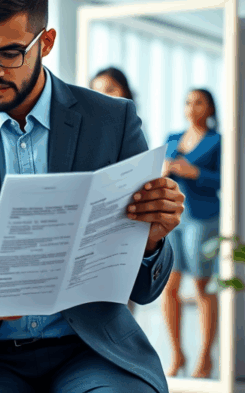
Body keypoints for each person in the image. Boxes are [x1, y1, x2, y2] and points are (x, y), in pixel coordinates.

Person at [0, 0, 185, 393]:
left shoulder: (112, 121)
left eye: (9, 53)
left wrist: (151, 241)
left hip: (90, 348)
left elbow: (145, 290)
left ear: (45, 42)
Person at [161, 88, 221, 379]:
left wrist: (194, 173)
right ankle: (177, 354)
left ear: (210, 109)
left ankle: (206, 358)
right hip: (173, 217)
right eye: (188, 102)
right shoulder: (172, 139)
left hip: (202, 218)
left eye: (199, 102)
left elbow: (225, 178)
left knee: (201, 286)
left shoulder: (216, 141)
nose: (192, 107)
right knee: (169, 286)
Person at [90, 67, 139, 316]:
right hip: (91, 230)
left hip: (123, 225)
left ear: (125, 92)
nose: (103, 96)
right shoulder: (84, 134)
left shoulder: (131, 131)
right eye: (96, 91)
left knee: (121, 308)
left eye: (110, 89)